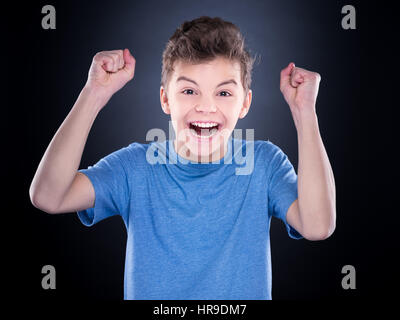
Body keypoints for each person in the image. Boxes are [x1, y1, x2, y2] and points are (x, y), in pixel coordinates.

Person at [29, 16, 336, 300]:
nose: (205, 107)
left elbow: (318, 225)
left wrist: (304, 111)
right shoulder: (136, 166)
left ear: (245, 104)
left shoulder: (265, 163)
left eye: (224, 93)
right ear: (166, 98)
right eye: (189, 91)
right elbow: (48, 197)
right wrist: (94, 92)